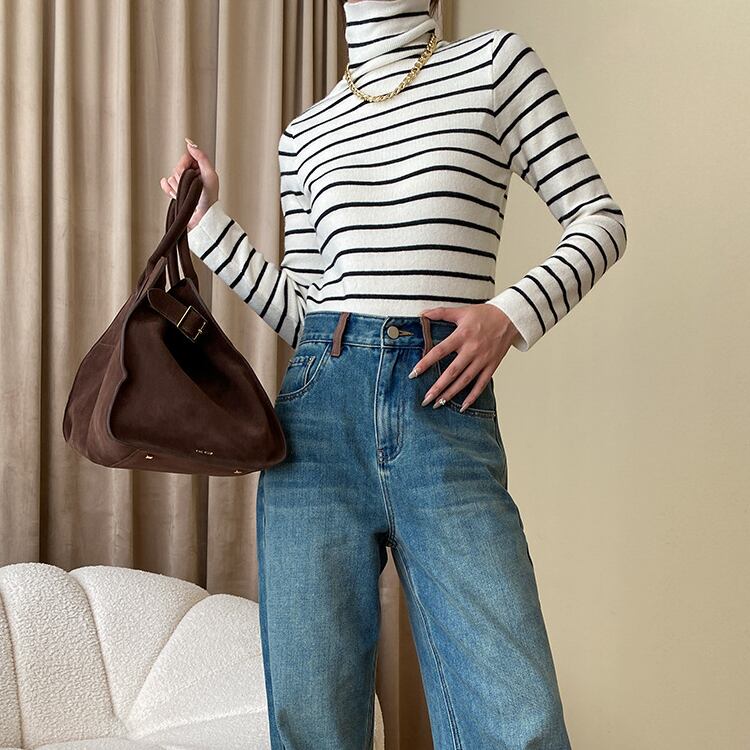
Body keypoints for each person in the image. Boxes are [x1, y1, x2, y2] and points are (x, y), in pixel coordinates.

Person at [161, 0, 627, 747]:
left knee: (517, 720)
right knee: (314, 725)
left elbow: (600, 219)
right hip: (316, 420)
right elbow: (306, 313)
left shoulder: (495, 65)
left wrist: (508, 316)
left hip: (443, 408)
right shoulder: (304, 134)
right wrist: (207, 228)